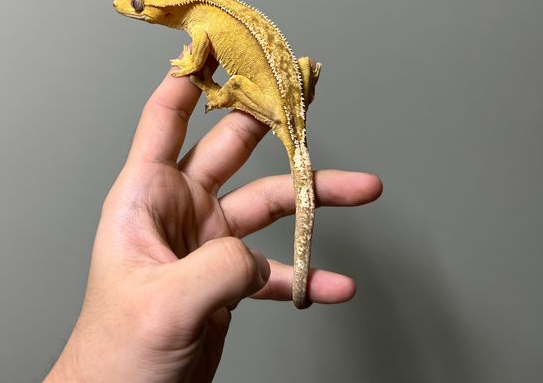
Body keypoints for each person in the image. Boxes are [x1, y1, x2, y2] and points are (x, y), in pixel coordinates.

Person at [44, 54, 382, 383]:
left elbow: (202, 65)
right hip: (278, 96)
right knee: (301, 71)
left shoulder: (202, 28)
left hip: (272, 97)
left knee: (234, 92)